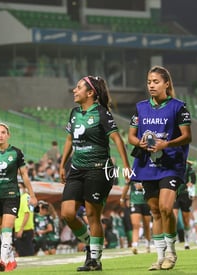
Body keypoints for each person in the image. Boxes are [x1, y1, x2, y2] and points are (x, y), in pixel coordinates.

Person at [59, 75, 130, 272]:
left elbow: (117, 140)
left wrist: (126, 166)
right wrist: (62, 164)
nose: (75, 90)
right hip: (76, 169)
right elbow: (68, 140)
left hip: (99, 169)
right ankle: (91, 243)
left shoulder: (101, 113)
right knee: (67, 213)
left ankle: (94, 260)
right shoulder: (74, 113)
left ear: (90, 93)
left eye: (79, 87)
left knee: (92, 215)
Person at [128, 66, 192, 271]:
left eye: (155, 81)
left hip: (171, 165)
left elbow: (187, 136)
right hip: (147, 165)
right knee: (155, 211)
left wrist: (167, 144)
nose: (151, 85)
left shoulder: (178, 107)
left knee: (166, 208)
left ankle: (171, 253)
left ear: (166, 84)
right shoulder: (140, 107)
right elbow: (131, 135)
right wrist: (139, 143)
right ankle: (160, 256)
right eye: (149, 82)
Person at [0, 122, 37, 272]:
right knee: (0, 230)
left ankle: (3, 260)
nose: (0, 135)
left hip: (11, 194)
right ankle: (11, 260)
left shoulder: (16, 152)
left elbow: (24, 175)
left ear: (8, 135)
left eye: (3, 132)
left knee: (7, 228)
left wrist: (32, 194)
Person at [121, 181, 152, 254]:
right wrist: (122, 198)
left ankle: (147, 245)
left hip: (146, 201)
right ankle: (134, 245)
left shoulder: (148, 172)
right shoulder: (133, 173)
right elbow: (127, 185)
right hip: (135, 202)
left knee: (146, 225)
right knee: (135, 225)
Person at [173, 160, 196, 249]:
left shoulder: (187, 166)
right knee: (173, 216)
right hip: (174, 193)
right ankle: (173, 238)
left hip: (184, 194)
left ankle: (187, 240)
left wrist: (192, 183)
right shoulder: (171, 163)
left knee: (186, 219)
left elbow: (193, 177)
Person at [14, 181, 35, 257]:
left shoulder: (25, 197)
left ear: (25, 188)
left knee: (26, 253)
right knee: (23, 252)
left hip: (25, 229)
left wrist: (21, 229)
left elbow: (27, 214)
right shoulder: (20, 198)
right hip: (21, 229)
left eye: (19, 187)